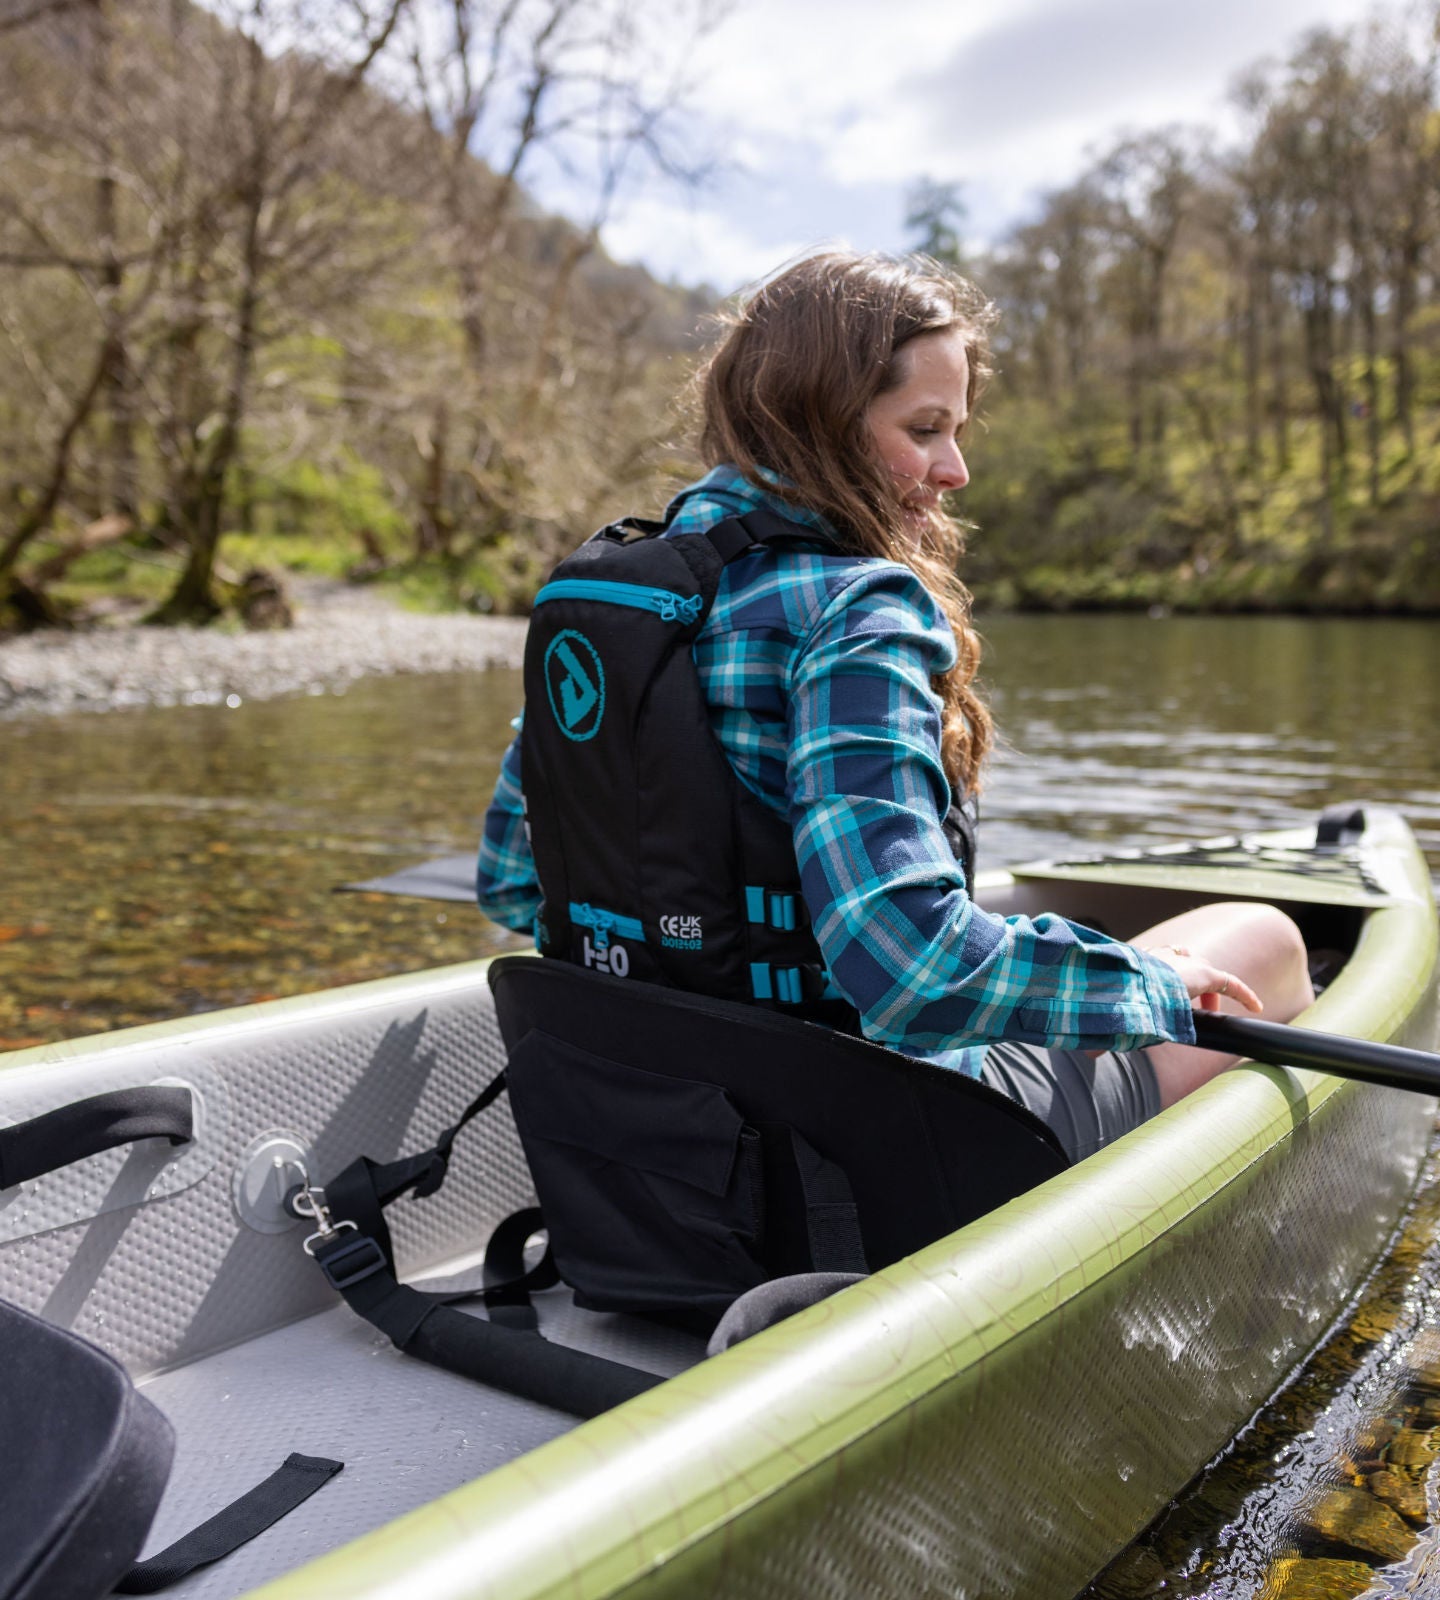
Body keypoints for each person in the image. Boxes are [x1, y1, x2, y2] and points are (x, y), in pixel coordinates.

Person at [478, 249, 1314, 1164]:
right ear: (819, 420)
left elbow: (515, 881)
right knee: (1263, 944)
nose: (954, 469)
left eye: (957, 430)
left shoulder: (603, 599)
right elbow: (909, 973)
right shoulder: (855, 606)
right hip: (855, 1145)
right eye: (925, 428)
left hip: (651, 1147)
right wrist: (1150, 987)